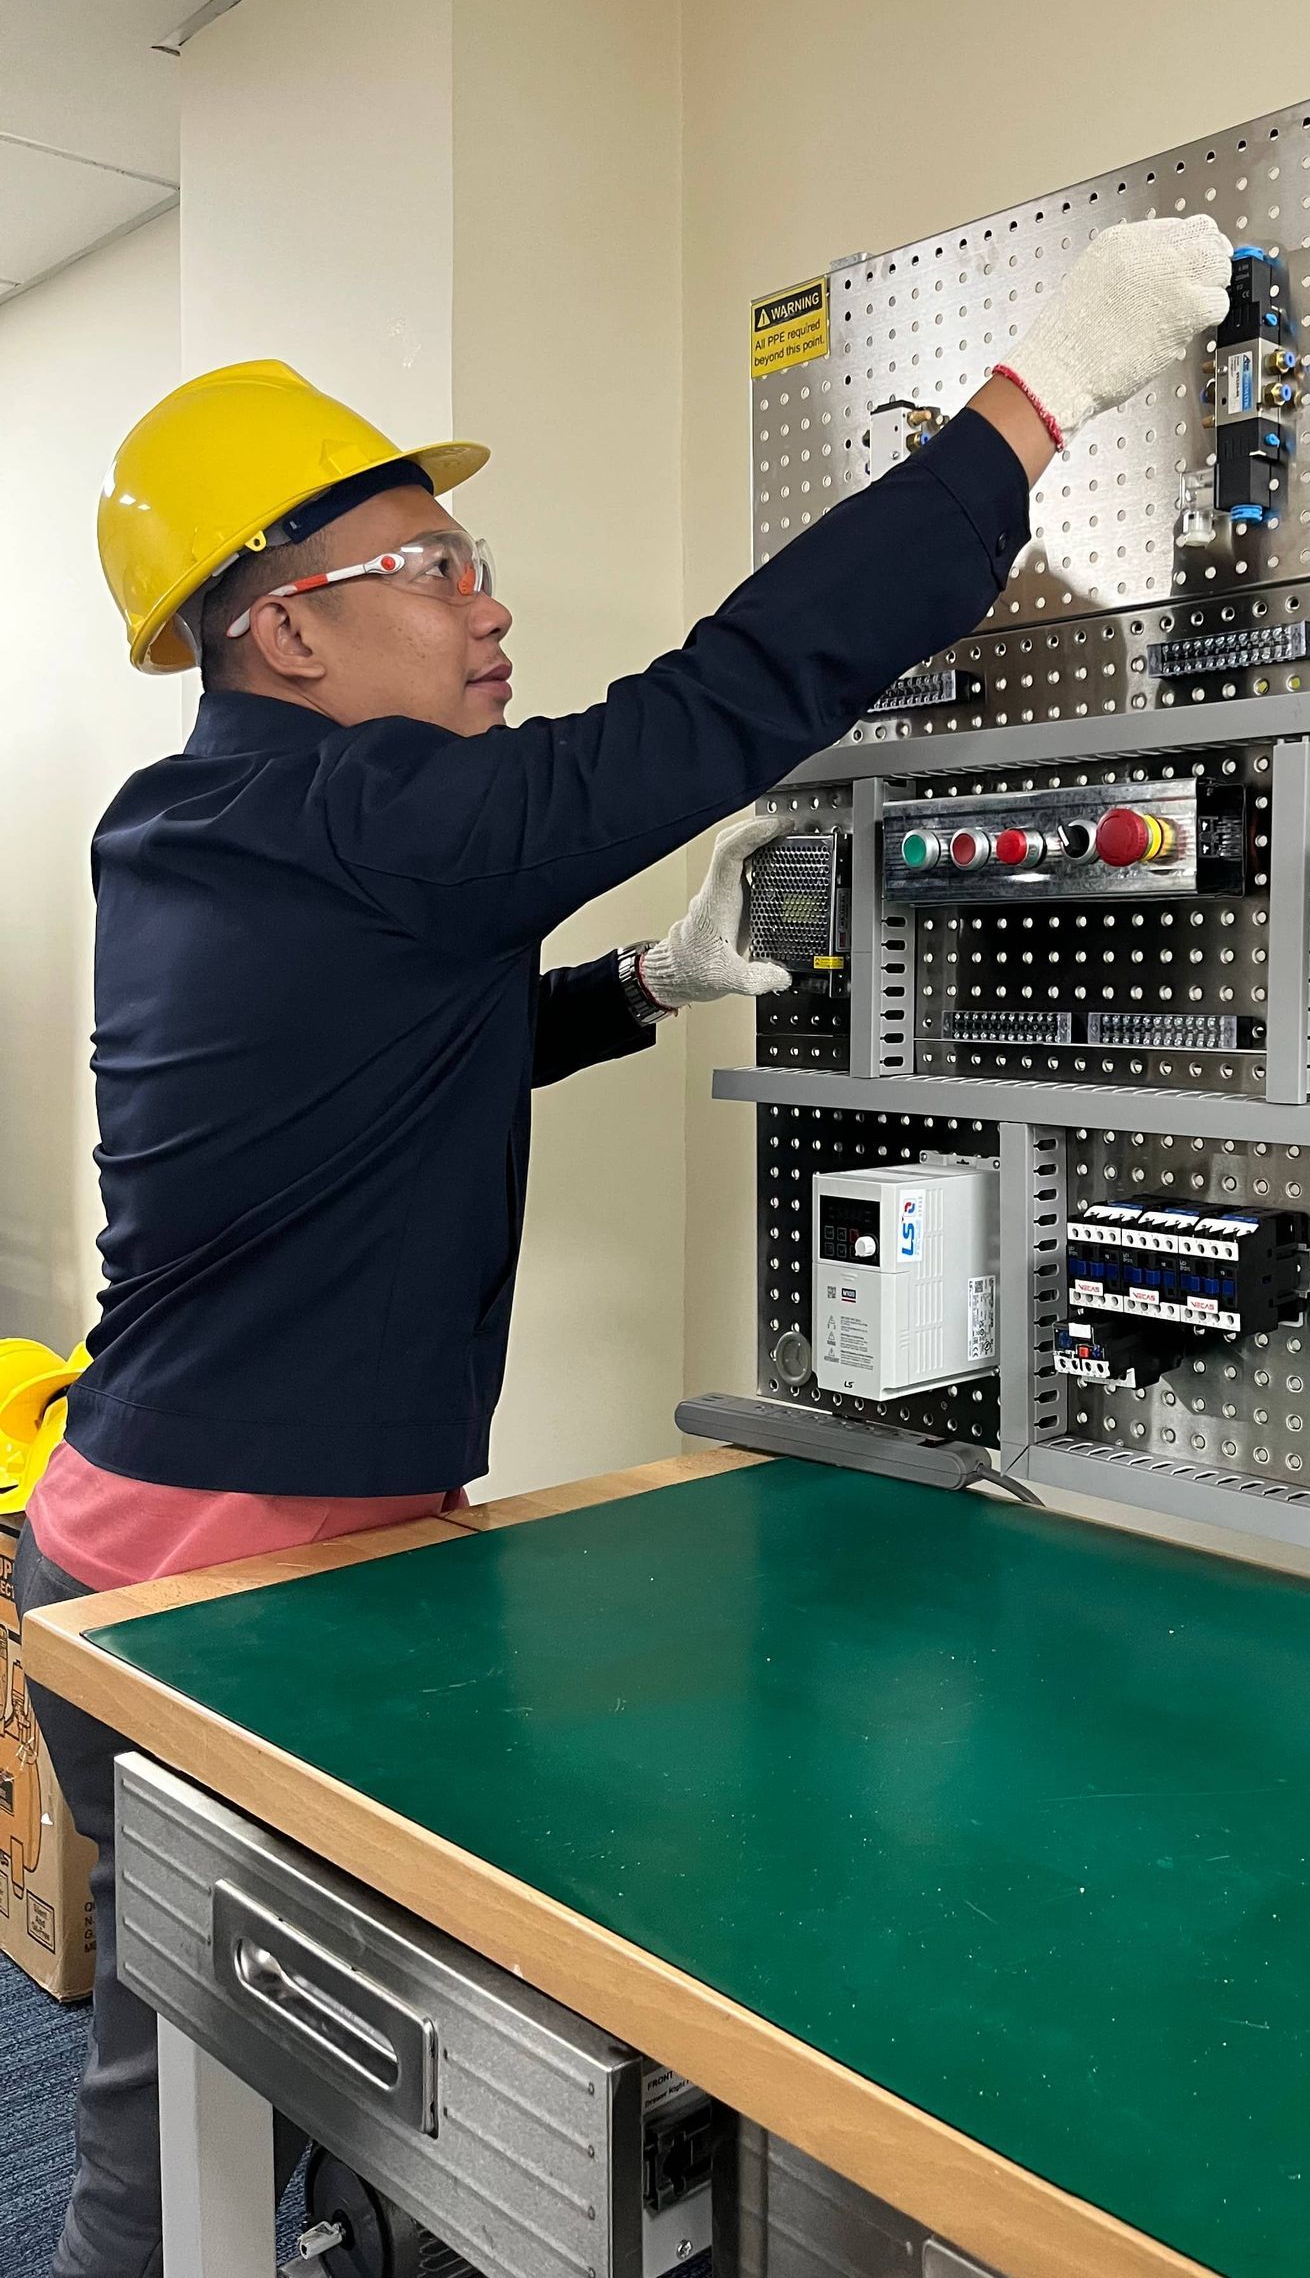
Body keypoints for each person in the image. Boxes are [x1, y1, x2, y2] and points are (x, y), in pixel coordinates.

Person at [13, 213, 1231, 2274]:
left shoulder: (216, 828)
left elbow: (374, 1070)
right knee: (197, 2120)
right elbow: (730, 696)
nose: (489, 608)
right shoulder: (380, 821)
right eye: (434, 569)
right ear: (283, 627)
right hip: (228, 1602)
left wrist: (637, 990)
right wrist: (1031, 403)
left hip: (157, 1553)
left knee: (253, 2076)